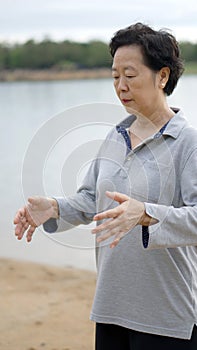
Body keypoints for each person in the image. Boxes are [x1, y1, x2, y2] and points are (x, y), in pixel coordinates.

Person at [14, 22, 197, 350]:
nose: (121, 86)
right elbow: (90, 201)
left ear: (163, 76)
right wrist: (53, 208)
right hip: (111, 307)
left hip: (168, 318)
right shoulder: (116, 136)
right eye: (115, 76)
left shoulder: (188, 143)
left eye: (130, 74)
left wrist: (146, 214)